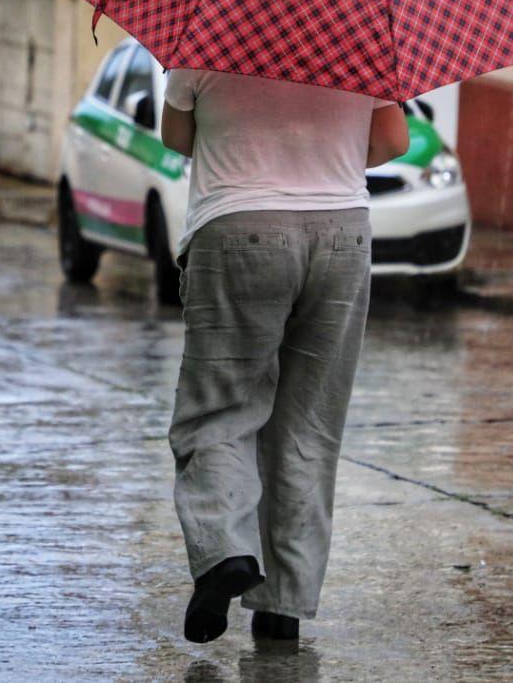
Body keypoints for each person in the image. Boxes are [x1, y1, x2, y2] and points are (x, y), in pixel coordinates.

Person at [159, 67, 409, 644]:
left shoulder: (208, 29)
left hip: (237, 226)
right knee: (309, 425)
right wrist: (324, 150)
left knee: (220, 412)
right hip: (342, 235)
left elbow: (177, 138)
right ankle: (283, 605)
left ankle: (225, 552)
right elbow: (393, 141)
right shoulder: (364, 33)